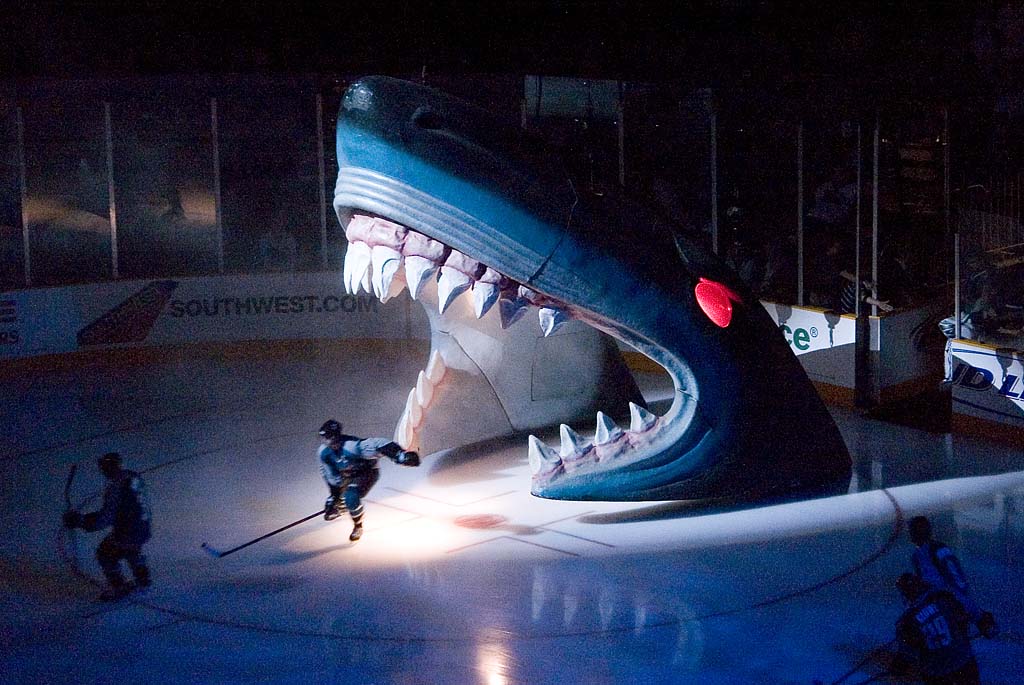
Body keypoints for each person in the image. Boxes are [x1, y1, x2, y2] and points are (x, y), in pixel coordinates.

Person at [63, 452, 152, 601]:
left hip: (127, 531)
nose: (103, 472)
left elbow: (106, 517)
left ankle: (119, 587)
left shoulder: (117, 487)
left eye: (104, 468)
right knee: (132, 551)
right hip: (143, 526)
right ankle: (144, 581)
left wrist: (81, 521)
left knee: (105, 554)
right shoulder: (132, 476)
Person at [318, 419, 420, 542]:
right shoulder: (324, 453)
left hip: (367, 473)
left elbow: (378, 444)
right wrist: (334, 496)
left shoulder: (351, 446)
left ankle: (358, 525)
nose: (328, 442)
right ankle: (343, 506)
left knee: (351, 497)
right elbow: (329, 475)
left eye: (331, 438)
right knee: (338, 501)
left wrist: (400, 455)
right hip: (347, 476)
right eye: (325, 438)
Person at [907, 515, 998, 638]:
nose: (910, 533)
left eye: (912, 530)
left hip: (948, 600)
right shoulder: (917, 554)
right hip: (937, 602)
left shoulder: (936, 549)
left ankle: (984, 624)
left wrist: (960, 596)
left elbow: (954, 573)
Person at [891, 573, 979, 685]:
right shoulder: (944, 599)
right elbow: (965, 616)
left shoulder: (906, 622)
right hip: (964, 661)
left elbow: (908, 653)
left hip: (937, 673)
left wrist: (898, 666)